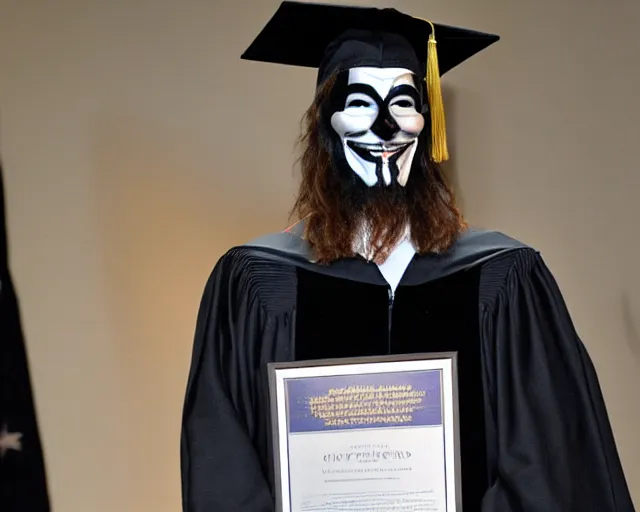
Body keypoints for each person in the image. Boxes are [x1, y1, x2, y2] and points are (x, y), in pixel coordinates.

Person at [180, 2, 635, 510]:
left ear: (425, 120)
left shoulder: (502, 278)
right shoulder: (258, 282)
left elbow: (547, 464)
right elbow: (223, 464)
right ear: (325, 126)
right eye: (358, 102)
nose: (384, 126)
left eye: (402, 103)